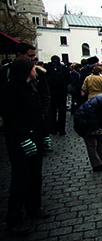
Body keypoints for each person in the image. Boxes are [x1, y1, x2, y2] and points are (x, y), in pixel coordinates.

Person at [0, 58, 51, 235]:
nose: (35, 70)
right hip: (20, 141)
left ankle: (33, 206)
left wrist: (44, 134)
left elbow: (38, 115)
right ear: (26, 70)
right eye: (32, 67)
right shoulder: (11, 89)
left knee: (35, 175)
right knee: (21, 179)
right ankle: (13, 219)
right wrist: (22, 138)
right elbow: (11, 119)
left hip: (34, 136)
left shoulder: (31, 88)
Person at [0, 43, 52, 152]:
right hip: (17, 126)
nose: (33, 59)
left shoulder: (38, 72)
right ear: (20, 54)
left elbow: (45, 94)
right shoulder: (5, 73)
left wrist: (43, 115)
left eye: (34, 56)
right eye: (30, 56)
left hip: (35, 122)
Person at [45, 55, 71, 136]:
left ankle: (53, 129)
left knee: (52, 111)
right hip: (62, 92)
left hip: (52, 92)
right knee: (62, 112)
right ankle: (62, 130)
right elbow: (69, 80)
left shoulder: (47, 68)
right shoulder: (64, 68)